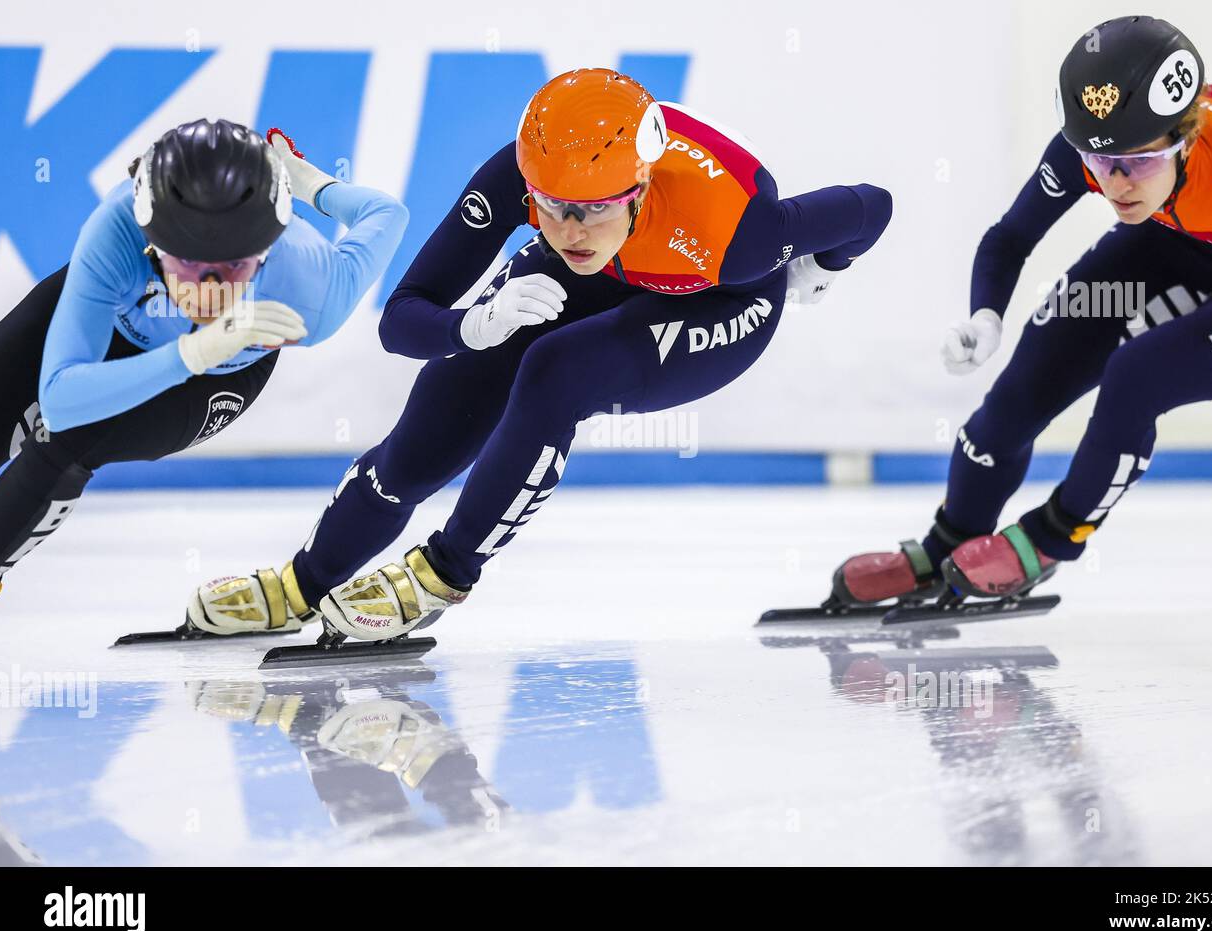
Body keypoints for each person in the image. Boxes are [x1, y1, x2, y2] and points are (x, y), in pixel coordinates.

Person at [186, 67, 893, 640]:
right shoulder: (521, 180)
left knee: (558, 370)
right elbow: (402, 320)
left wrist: (821, 269)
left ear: (641, 187)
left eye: (591, 209)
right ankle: (305, 581)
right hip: (620, 271)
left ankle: (445, 571)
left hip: (718, 294)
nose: (567, 229)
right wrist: (472, 326)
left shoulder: (743, 232)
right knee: (437, 417)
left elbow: (872, 206)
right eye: (549, 205)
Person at [833, 15, 1212, 606]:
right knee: (1024, 385)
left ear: (1190, 133)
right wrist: (986, 316)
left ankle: (1051, 539)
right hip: (1169, 247)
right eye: (1101, 165)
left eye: (1141, 162)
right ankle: (950, 540)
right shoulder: (1095, 143)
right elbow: (1010, 237)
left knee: (1139, 373)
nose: (1118, 185)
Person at [0, 119, 408, 601]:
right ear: (150, 241)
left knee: (69, 442)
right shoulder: (116, 229)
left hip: (210, 379)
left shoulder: (309, 290)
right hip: (124, 324)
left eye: (236, 265)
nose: (209, 289)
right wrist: (191, 349)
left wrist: (309, 182)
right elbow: (62, 395)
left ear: (269, 250)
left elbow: (388, 213)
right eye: (188, 263)